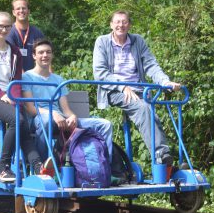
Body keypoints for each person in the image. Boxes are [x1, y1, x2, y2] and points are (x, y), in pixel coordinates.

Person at [93, 10, 181, 166]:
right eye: (117, 22)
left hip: (140, 90)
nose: (121, 25)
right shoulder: (102, 42)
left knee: (152, 113)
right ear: (111, 24)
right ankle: (160, 154)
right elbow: (100, 73)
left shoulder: (137, 41)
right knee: (143, 108)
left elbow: (151, 65)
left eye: (124, 22)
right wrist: (122, 86)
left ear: (129, 24)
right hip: (115, 90)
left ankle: (166, 164)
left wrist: (165, 82)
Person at [0, 11, 42, 181]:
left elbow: (16, 80)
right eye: (0, 26)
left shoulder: (15, 51)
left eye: (7, 26)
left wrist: (16, 100)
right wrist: (1, 94)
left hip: (10, 96)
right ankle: (3, 167)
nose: (3, 29)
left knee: (23, 124)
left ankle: (38, 165)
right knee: (17, 120)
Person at [22, 38, 113, 162]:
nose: (45, 55)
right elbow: (31, 109)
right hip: (41, 119)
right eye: (41, 52)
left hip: (61, 121)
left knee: (104, 124)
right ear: (34, 55)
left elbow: (66, 110)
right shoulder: (27, 77)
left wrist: (72, 117)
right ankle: (42, 165)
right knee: (46, 121)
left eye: (48, 52)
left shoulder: (58, 80)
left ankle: (106, 166)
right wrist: (53, 114)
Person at [6, 0, 44, 71]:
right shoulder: (9, 32)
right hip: (15, 78)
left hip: (34, 77)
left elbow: (45, 57)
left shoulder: (37, 32)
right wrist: (24, 79)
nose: (21, 11)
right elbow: (11, 58)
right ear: (13, 12)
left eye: (24, 8)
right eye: (18, 8)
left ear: (28, 11)